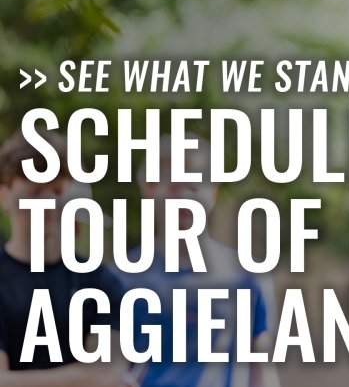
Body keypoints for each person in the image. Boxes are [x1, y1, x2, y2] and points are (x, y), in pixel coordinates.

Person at [117, 134, 274, 387]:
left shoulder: (249, 276)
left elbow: (261, 369)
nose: (184, 198)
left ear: (213, 192)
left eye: (193, 186)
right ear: (148, 190)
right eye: (174, 187)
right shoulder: (120, 279)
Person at [0, 130, 132, 386]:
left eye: (58, 190)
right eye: (35, 191)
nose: (49, 201)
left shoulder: (103, 285)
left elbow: (107, 373)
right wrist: (86, 377)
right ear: (4, 196)